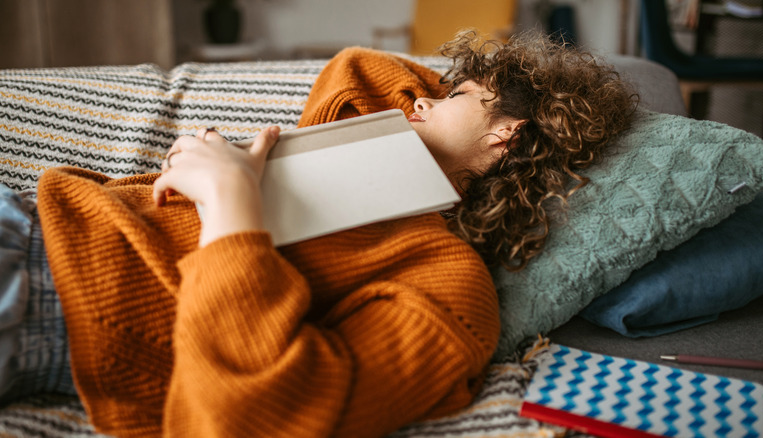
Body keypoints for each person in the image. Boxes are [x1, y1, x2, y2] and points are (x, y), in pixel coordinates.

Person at [0, 30, 635, 437]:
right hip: (33, 213)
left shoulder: (448, 285)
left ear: (508, 134)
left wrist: (230, 207)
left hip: (50, 291)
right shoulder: (355, 160)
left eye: (453, 94)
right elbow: (357, 70)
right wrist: (435, 125)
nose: (418, 98)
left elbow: (259, 414)